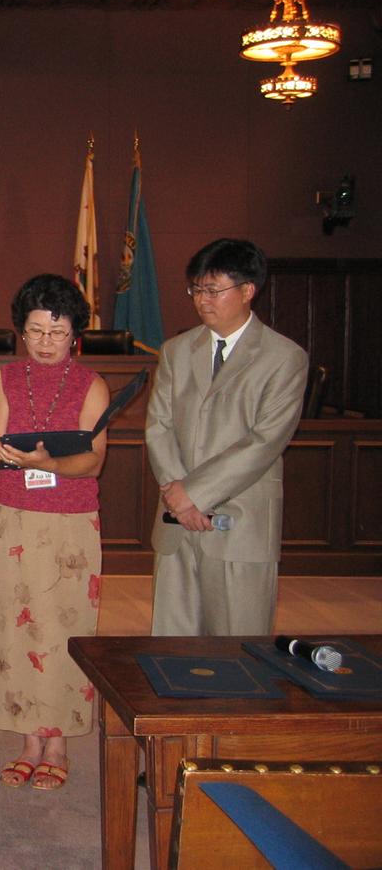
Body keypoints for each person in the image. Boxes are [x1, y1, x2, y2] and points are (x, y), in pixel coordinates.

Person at [0, 273, 110, 792]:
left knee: (63, 626)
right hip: (16, 516)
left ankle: (57, 744)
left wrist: (49, 462)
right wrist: (13, 455)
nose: (46, 342)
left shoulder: (92, 384)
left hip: (70, 520)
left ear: (75, 333)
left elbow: (93, 461)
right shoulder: (6, 379)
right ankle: (28, 740)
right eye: (35, 331)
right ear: (21, 331)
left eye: (57, 332)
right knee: (17, 626)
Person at [147, 238, 307, 636]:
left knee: (238, 645)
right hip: (176, 520)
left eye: (213, 290)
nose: (203, 300)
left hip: (241, 522)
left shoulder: (284, 357)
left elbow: (265, 441)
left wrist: (194, 493)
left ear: (248, 290)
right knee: (172, 645)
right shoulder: (176, 351)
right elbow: (159, 426)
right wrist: (179, 498)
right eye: (197, 289)